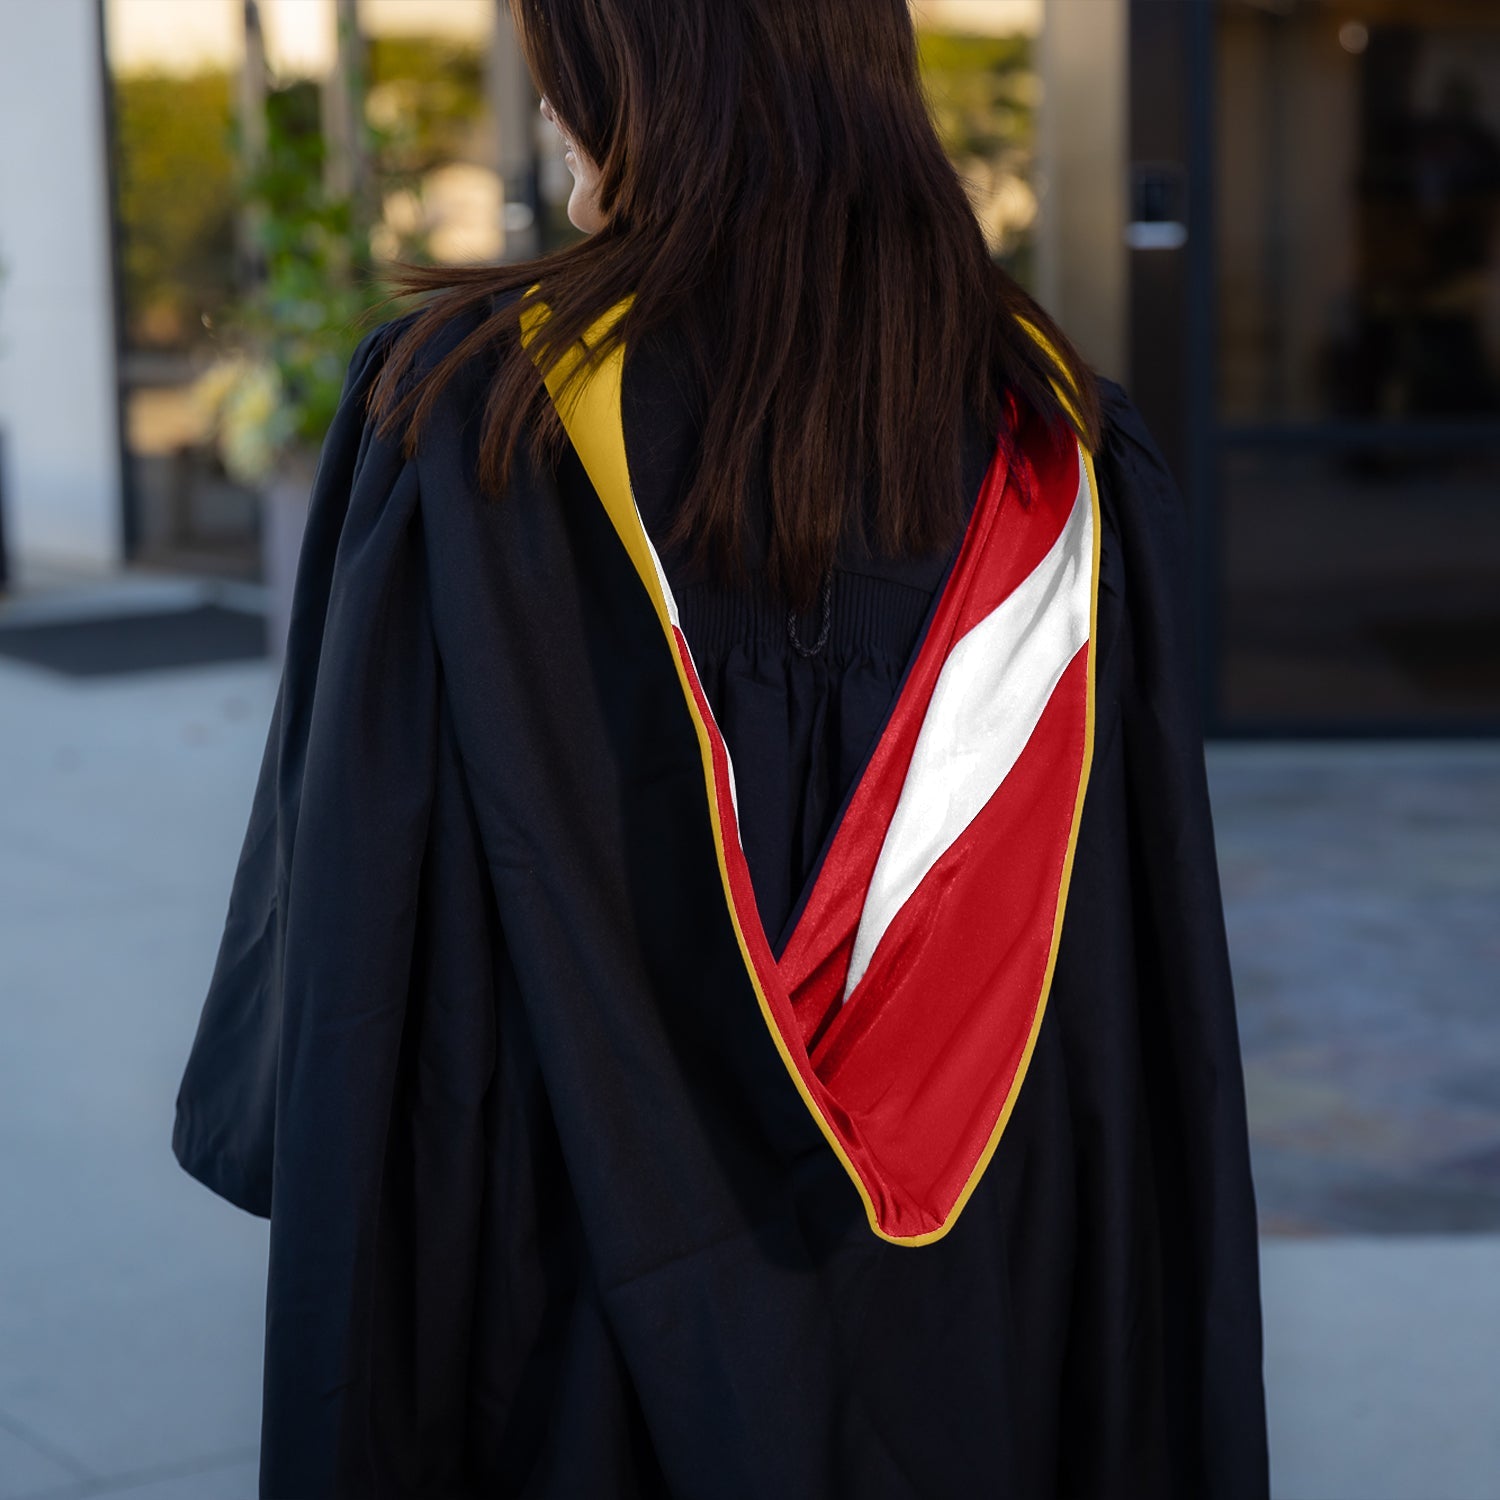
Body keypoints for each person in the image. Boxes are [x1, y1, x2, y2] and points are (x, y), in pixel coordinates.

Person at [171, 1, 1270, 1495]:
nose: (547, 103)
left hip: (563, 1316)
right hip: (986, 1320)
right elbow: (1135, 1010)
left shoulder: (470, 424)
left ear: (654, 73)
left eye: (566, 57)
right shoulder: (1056, 443)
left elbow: (358, 948)